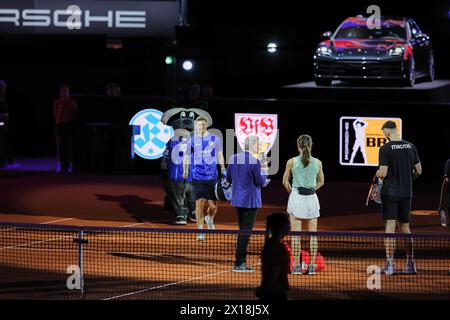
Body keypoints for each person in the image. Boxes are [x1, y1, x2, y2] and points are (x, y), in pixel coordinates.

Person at [376, 120, 422, 276]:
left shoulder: (385, 149)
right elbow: (419, 171)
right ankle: (410, 264)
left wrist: (378, 174)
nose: (385, 137)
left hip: (390, 193)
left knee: (390, 228)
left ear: (388, 132)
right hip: (406, 193)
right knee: (405, 228)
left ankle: (390, 265)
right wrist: (407, 179)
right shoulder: (411, 146)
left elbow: (382, 172)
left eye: (384, 134)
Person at [226, 135, 269, 272]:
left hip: (238, 200)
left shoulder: (233, 158)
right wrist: (265, 170)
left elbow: (228, 178)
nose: (259, 147)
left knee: (242, 230)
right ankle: (239, 263)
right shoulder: (255, 161)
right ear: (251, 145)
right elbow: (261, 182)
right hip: (250, 201)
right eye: (257, 144)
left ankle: (239, 261)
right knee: (245, 232)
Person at [283, 134, 324, 275]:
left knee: (296, 236)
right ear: (311, 145)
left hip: (297, 199)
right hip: (312, 199)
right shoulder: (318, 162)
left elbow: (284, 181)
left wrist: (293, 192)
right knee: (313, 235)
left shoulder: (291, 162)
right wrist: (312, 190)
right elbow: (321, 181)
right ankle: (311, 267)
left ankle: (296, 267)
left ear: (298, 146)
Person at [184, 116, 225, 240]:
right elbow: (186, 156)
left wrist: (223, 167)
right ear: (195, 126)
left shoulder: (214, 138)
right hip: (198, 176)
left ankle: (209, 218)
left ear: (206, 125)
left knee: (213, 206)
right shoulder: (192, 140)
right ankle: (200, 231)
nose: (200, 127)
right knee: (199, 204)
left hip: (212, 176)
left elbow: (219, 154)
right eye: (198, 125)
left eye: (202, 124)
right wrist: (185, 170)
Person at [256, 212, 291, 301]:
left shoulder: (269, 244)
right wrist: (265, 288)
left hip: (270, 291)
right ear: (281, 227)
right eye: (288, 223)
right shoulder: (278, 248)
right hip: (276, 292)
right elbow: (274, 272)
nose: (289, 226)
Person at [164, 132, 196, 225]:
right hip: (187, 174)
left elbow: (165, 156)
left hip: (178, 174)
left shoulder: (172, 141)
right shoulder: (195, 140)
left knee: (179, 195)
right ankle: (189, 212)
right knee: (188, 194)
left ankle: (182, 214)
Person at [53, 84, 78, 173]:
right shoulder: (57, 102)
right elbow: (55, 114)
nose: (64, 93)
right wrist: (60, 121)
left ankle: (71, 165)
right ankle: (59, 165)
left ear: (68, 92)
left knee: (70, 146)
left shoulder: (72, 101)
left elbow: (75, 113)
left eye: (66, 91)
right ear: (60, 92)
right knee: (60, 146)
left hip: (70, 125)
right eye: (62, 91)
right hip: (60, 125)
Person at [0, 80, 19, 169]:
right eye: (3, 87)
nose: (4, 89)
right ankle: (3, 163)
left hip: (4, 122)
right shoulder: (0, 97)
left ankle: (8, 161)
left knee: (5, 141)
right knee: (2, 142)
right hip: (1, 122)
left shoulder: (3, 97)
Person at [438, 159, 449, 227]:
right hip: (447, 186)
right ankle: (443, 215)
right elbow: (447, 179)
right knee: (442, 206)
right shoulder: (449, 162)